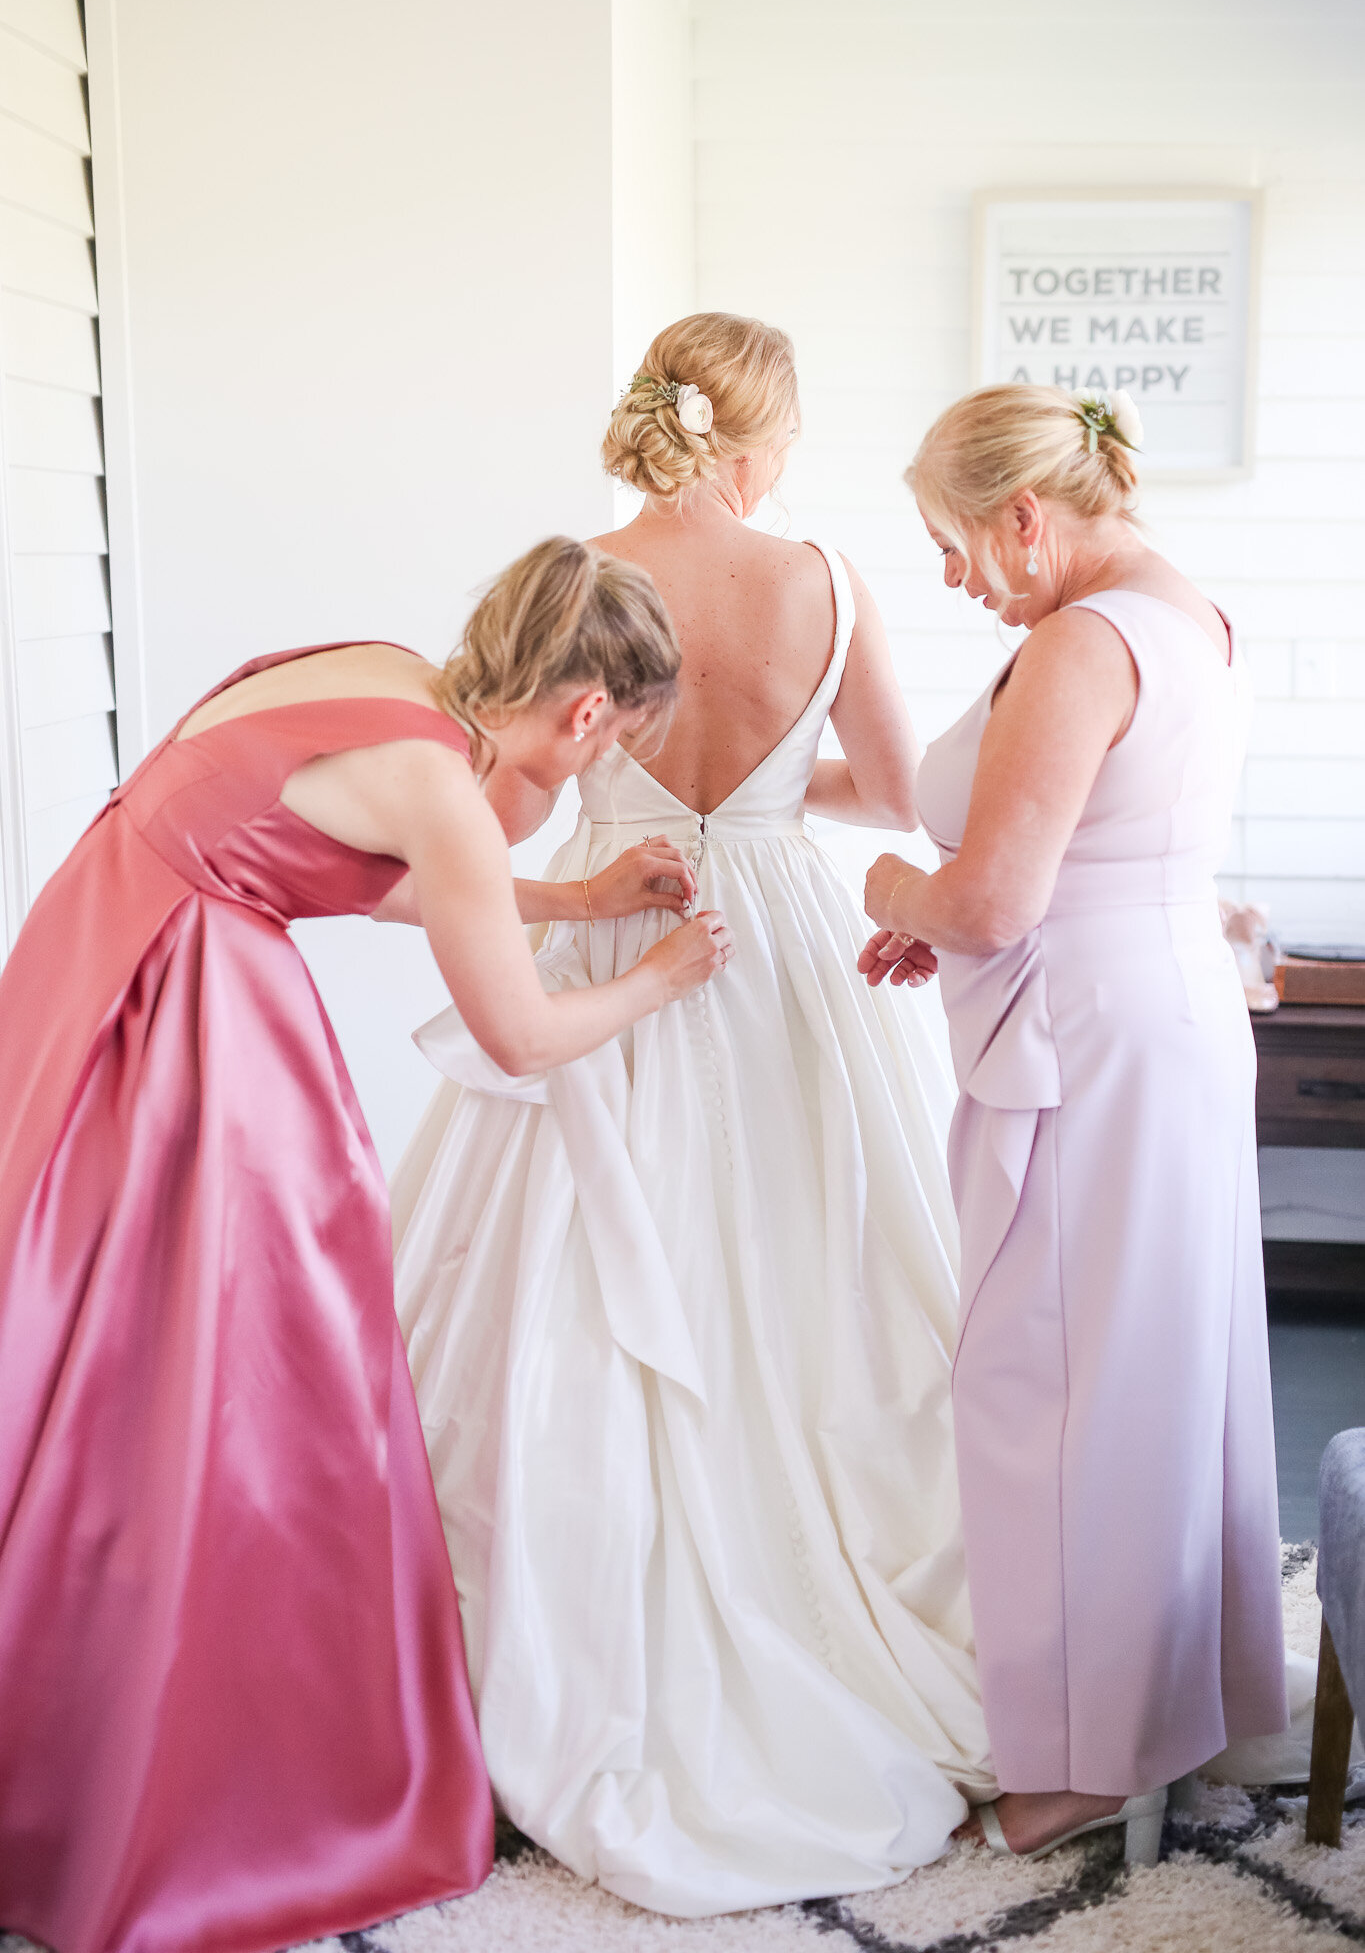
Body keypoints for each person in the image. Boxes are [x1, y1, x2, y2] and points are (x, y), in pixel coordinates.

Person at [0, 536, 729, 1953]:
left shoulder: (393, 680)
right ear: (584, 715)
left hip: (95, 955)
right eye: (601, 751)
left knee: (93, 1348)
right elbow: (517, 1034)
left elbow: (348, 871)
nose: (580, 775)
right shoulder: (452, 791)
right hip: (193, 1008)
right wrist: (658, 976)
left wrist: (575, 901)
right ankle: (213, 1779)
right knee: (257, 1372)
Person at [391, 313, 995, 1919]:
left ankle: (533, 1635)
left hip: (612, 917)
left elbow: (505, 799)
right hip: (783, 943)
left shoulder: (581, 576)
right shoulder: (825, 577)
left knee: (561, 1282)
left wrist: (630, 809)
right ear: (760, 436)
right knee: (826, 1263)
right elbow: (892, 782)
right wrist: (776, 782)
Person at [861, 384, 1288, 1864]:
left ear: (1022, 518)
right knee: (1165, 1366)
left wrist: (890, 896)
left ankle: (1086, 1753)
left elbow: (989, 896)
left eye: (949, 542)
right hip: (1160, 1010)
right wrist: (972, 905)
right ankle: (1195, 1697)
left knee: (1051, 1383)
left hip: (1085, 1041)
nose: (949, 576)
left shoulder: (1074, 642)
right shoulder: (1189, 615)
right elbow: (1088, 853)